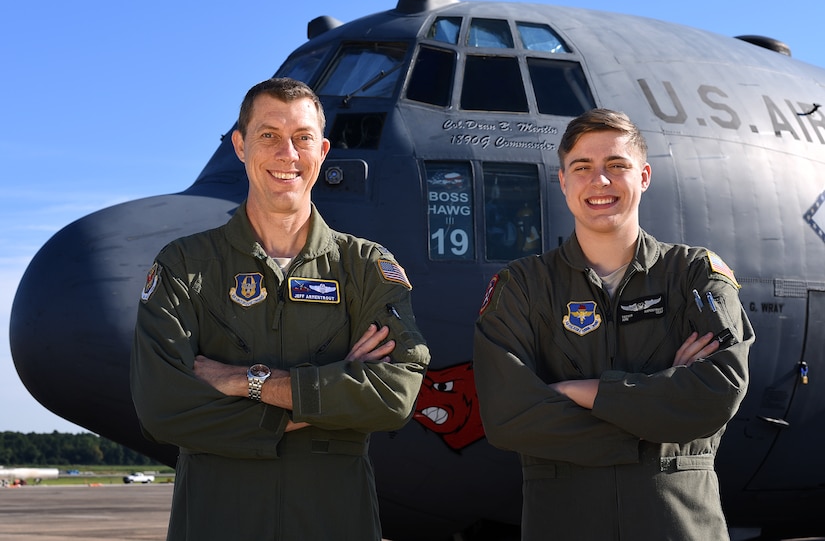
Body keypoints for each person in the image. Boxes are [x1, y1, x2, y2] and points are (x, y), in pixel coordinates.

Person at [131, 77, 430, 541]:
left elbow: (393, 395)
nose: (286, 154)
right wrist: (334, 389)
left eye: (302, 138)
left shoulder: (367, 266)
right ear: (240, 146)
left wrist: (244, 382)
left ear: (323, 150)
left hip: (334, 521)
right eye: (268, 135)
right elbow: (163, 407)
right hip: (216, 521)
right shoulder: (184, 266)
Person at [473, 108, 754, 540]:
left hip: (677, 525)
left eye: (616, 166)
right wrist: (659, 406)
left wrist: (581, 392)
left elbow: (717, 392)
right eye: (582, 168)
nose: (599, 181)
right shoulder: (523, 287)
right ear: (563, 182)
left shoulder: (694, 275)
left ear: (643, 177)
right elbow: (508, 415)